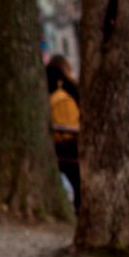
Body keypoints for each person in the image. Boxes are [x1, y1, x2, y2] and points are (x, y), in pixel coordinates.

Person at [45, 54, 81, 212]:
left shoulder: (48, 90)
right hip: (72, 142)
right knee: (78, 180)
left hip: (56, 142)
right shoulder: (69, 88)